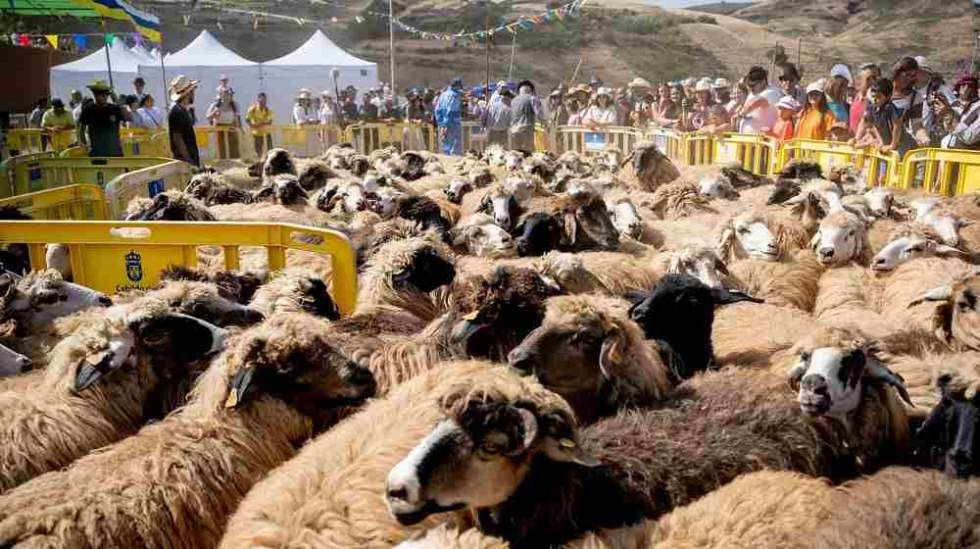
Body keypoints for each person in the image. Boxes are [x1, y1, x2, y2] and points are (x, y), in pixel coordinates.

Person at [78, 81, 129, 157]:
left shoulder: (114, 109)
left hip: (115, 152)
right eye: (99, 94)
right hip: (97, 152)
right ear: (95, 95)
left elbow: (128, 117)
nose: (102, 97)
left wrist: (117, 101)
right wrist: (85, 145)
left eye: (105, 94)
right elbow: (81, 129)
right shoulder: (88, 109)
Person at [736, 66, 782, 135]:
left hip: (763, 140)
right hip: (748, 139)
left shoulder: (772, 92)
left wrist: (740, 114)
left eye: (753, 85)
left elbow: (755, 103)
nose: (750, 88)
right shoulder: (753, 93)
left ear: (763, 82)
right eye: (749, 85)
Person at [167, 75, 200, 167]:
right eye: (192, 91)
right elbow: (178, 139)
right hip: (183, 162)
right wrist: (189, 162)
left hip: (189, 158)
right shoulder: (176, 112)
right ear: (188, 93)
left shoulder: (183, 111)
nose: (194, 94)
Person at [940, 75, 980, 150]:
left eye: (970, 86)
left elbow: (969, 137)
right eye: (963, 85)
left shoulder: (977, 108)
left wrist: (949, 115)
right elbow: (947, 130)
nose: (966, 88)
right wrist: (945, 114)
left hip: (968, 158)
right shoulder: (957, 106)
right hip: (947, 155)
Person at [206, 88, 241, 159]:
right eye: (227, 94)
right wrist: (214, 113)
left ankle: (235, 161)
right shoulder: (215, 105)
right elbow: (208, 117)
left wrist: (239, 128)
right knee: (219, 147)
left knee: (233, 147)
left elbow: (237, 117)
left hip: (231, 128)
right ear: (222, 95)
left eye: (230, 95)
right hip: (218, 129)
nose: (229, 96)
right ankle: (218, 161)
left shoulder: (234, 105)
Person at [435, 77, 464, 155]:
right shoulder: (454, 95)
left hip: (442, 123)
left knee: (445, 147)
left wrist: (441, 123)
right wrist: (448, 123)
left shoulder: (443, 95)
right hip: (453, 123)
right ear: (457, 86)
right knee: (455, 148)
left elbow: (437, 110)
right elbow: (451, 110)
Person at [850, 63, 881, 133]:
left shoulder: (877, 102)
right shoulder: (855, 98)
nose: (873, 82)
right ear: (858, 80)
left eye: (875, 78)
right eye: (868, 79)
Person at [509, 80, 539, 151]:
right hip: (527, 129)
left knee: (516, 153)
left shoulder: (513, 101)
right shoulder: (532, 98)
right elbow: (539, 114)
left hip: (514, 130)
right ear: (531, 90)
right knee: (527, 153)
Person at [246, 92, 274, 157]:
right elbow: (247, 119)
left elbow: (270, 121)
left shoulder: (267, 109)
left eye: (265, 99)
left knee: (270, 150)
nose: (264, 101)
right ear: (258, 99)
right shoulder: (253, 109)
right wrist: (252, 125)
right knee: (258, 150)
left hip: (266, 132)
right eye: (262, 99)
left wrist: (259, 124)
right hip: (257, 133)